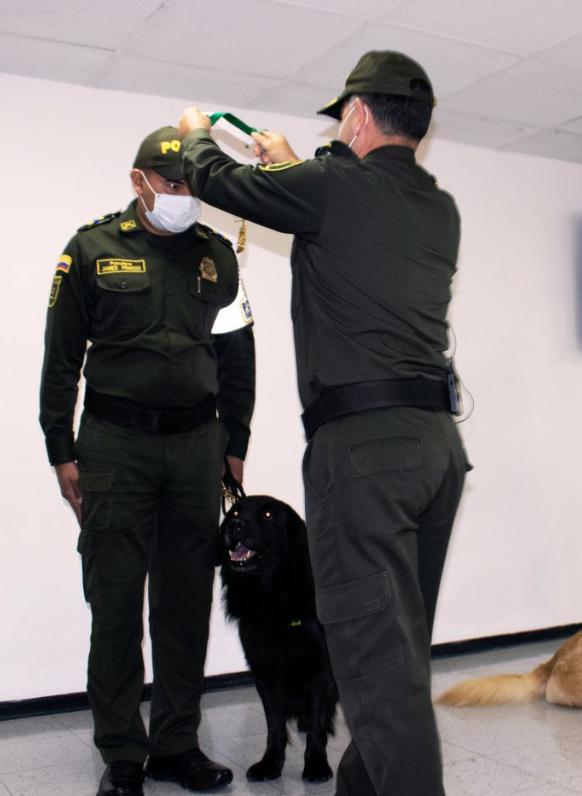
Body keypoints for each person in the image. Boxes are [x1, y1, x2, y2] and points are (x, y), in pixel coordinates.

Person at [176, 49, 468, 796]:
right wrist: (300, 162)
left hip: (363, 451)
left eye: (343, 115)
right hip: (435, 448)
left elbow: (220, 181)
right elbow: (343, 209)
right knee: (394, 653)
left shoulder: (333, 187)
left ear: (361, 115)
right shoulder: (438, 207)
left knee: (375, 661)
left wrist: (192, 137)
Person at [39, 127, 255, 796]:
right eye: (171, 184)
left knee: (186, 601)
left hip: (196, 449)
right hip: (112, 444)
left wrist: (236, 444)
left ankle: (175, 744)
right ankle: (123, 754)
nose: (183, 197)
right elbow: (61, 357)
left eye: (192, 185)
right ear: (138, 181)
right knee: (113, 601)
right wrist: (59, 449)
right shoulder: (91, 249)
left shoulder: (220, 259)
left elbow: (238, 358)